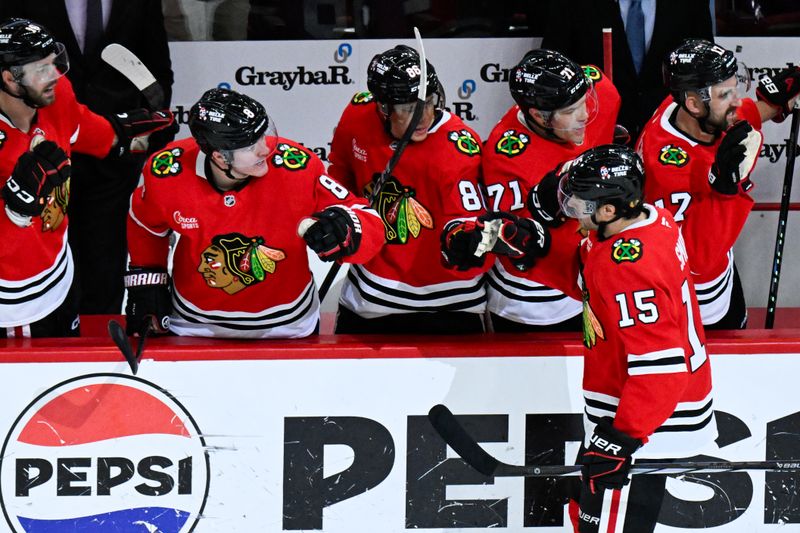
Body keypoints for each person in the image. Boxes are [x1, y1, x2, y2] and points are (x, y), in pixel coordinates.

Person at [542, 144, 715, 532]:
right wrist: (533, 251)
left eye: (581, 202)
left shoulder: (631, 266)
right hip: (643, 409)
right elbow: (594, 284)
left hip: (645, 418)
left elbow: (662, 368)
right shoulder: (650, 220)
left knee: (608, 526)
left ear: (609, 210)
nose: (572, 208)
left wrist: (620, 439)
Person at [125, 88, 384, 338]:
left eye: (263, 135)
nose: (265, 149)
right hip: (194, 324)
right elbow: (146, 225)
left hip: (287, 325)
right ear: (219, 157)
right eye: (250, 146)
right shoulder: (168, 170)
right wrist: (147, 282)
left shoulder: (297, 166)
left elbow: (363, 216)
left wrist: (346, 229)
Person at [0, 18, 174, 338]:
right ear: (10, 79)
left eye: (55, 63)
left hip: (56, 278)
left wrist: (130, 134)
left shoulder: (55, 94)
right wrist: (14, 204)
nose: (55, 75)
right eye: (41, 69)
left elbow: (85, 129)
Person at [326, 45, 492, 334]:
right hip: (370, 301)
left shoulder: (458, 147)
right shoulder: (356, 114)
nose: (423, 117)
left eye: (429, 103)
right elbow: (340, 175)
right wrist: (340, 217)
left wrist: (470, 241)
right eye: (409, 109)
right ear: (382, 107)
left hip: (450, 304)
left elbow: (467, 221)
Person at [637, 39, 800, 328]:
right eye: (726, 94)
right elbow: (698, 262)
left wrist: (772, 103)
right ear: (693, 103)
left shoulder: (679, 108)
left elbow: (725, 117)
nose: (736, 101)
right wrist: (725, 188)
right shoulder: (670, 171)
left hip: (719, 274)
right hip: (695, 300)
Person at [481, 49, 620, 332]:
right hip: (533, 298)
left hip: (588, 279)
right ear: (539, 116)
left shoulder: (600, 92)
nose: (585, 116)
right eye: (570, 111)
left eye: (584, 102)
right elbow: (516, 243)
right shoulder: (507, 158)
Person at [541, 0, 713, 142]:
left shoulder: (690, 5)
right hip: (595, 136)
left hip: (671, 135)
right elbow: (552, 70)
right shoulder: (572, 4)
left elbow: (706, 69)